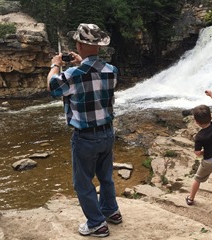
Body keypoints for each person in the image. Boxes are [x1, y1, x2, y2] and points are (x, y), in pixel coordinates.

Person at [47, 23, 122, 238]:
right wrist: (85, 63)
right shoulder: (112, 71)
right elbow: (95, 77)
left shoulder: (72, 74)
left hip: (85, 137)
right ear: (98, 45)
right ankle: (111, 211)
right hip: (107, 133)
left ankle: (97, 224)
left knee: (82, 183)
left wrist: (54, 65)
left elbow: (53, 86)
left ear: (79, 45)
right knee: (106, 176)